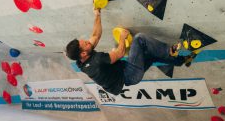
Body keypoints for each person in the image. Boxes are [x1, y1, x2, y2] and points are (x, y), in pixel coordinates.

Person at [65, 8, 195, 95]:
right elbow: (120, 53)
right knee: (139, 39)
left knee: (150, 55)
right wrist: (122, 38)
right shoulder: (97, 61)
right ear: (83, 53)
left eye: (85, 41)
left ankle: (182, 61)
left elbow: (95, 35)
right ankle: (169, 51)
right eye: (86, 44)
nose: (89, 42)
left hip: (126, 74)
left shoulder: (80, 60)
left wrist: (97, 14)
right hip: (129, 74)